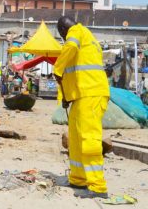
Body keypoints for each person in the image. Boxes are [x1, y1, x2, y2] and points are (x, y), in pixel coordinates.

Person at [54, 16, 109, 199]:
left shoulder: (76, 31)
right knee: (75, 139)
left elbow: (69, 49)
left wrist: (57, 68)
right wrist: (65, 97)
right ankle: (78, 178)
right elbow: (75, 72)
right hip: (80, 96)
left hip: (91, 93)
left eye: (62, 36)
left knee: (88, 137)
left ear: (63, 30)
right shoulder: (88, 38)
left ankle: (97, 186)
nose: (64, 39)